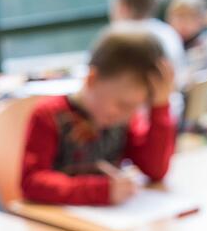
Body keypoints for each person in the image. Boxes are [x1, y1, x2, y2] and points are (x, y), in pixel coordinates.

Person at [20, 27, 176, 205]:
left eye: (136, 108)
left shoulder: (126, 120)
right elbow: (31, 182)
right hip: (54, 223)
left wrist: (160, 107)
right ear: (92, 79)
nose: (127, 115)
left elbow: (155, 170)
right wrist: (101, 191)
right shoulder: (48, 116)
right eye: (122, 105)